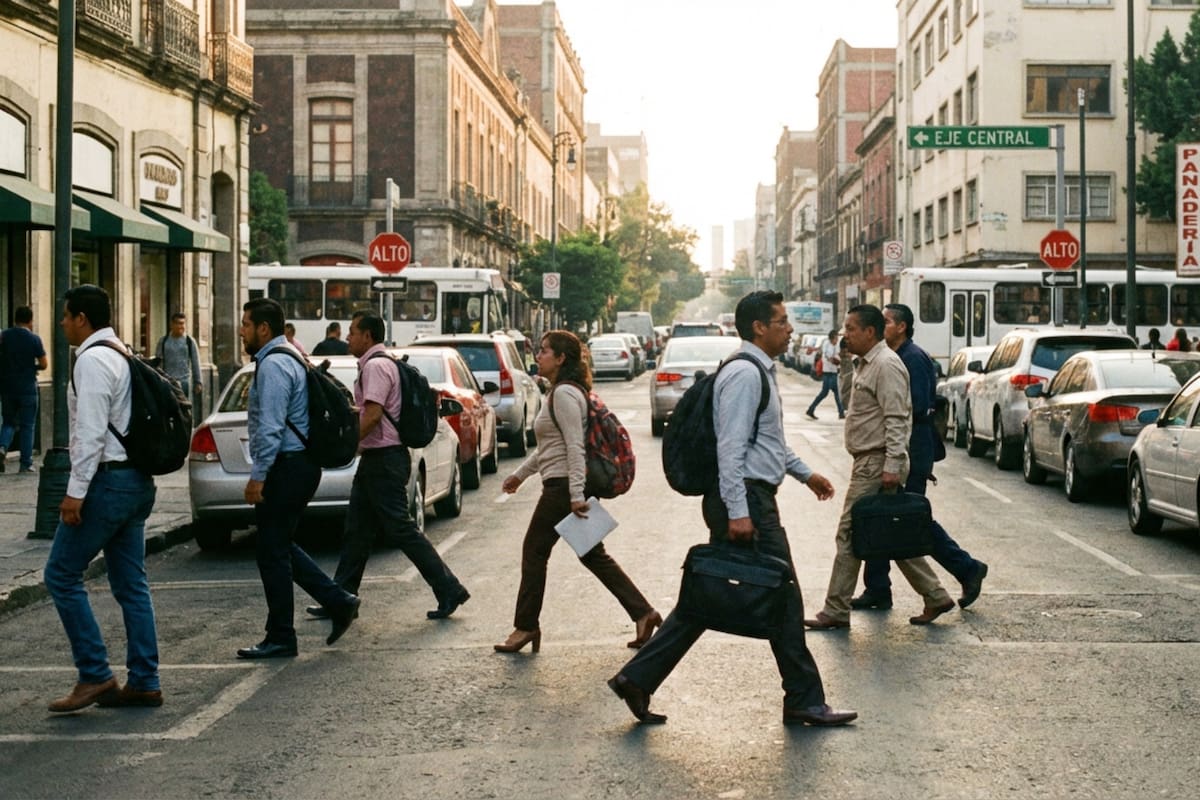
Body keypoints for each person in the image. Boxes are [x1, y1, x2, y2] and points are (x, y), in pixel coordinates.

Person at [608, 291, 856, 727]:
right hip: (746, 501)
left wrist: (805, 474)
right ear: (759, 328)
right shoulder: (744, 374)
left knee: (706, 598)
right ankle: (804, 698)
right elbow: (731, 448)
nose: (790, 329)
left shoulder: (757, 371)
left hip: (747, 497)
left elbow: (767, 443)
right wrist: (739, 511)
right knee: (784, 592)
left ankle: (637, 679)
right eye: (781, 321)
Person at [496, 330, 661, 654]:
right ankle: (644, 613)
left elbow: (574, 446)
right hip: (563, 484)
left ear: (561, 359)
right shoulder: (559, 392)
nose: (538, 356)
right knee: (593, 555)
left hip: (561, 488)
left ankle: (526, 626)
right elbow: (550, 448)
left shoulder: (564, 395)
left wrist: (574, 495)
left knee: (534, 552)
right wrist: (520, 475)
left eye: (545, 351)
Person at [306, 311, 470, 622]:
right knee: (357, 531)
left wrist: (347, 446)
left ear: (367, 336)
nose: (347, 338)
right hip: (378, 460)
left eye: (353, 332)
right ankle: (340, 597)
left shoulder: (376, 367)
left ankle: (449, 588)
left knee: (402, 530)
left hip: (385, 461)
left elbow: (372, 415)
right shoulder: (378, 364)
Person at [43, 285, 161, 711]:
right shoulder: (121, 352)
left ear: (82, 319)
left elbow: (90, 433)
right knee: (131, 585)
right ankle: (144, 680)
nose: (61, 323)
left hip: (107, 484)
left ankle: (94, 673)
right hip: (135, 482)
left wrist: (74, 492)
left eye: (65, 315)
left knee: (60, 574)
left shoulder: (92, 360)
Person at [805, 304, 958, 630]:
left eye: (851, 329)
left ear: (870, 331)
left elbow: (897, 418)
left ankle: (835, 609)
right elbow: (848, 401)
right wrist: (845, 362)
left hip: (877, 461)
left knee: (849, 532)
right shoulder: (865, 363)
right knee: (890, 532)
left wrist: (892, 464)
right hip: (868, 460)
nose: (845, 335)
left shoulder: (887, 365)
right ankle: (935, 595)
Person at [238, 298, 360, 659]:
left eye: (246, 324)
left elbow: (271, 427)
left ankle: (282, 636)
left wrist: (258, 476)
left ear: (263, 329)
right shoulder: (289, 356)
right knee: (277, 545)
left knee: (272, 551)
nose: (242, 331)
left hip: (288, 467)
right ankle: (338, 601)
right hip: (298, 466)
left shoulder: (274, 364)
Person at [850, 304, 988, 613]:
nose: (881, 326)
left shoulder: (912, 358)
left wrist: (897, 457)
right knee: (880, 515)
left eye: (886, 322)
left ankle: (966, 568)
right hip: (902, 446)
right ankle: (877, 587)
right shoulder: (892, 356)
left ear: (901, 327)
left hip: (911, 445)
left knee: (909, 519)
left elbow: (910, 409)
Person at [0, 305, 47, 473]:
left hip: (7, 386)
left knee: (8, 422)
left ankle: (2, 446)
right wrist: (33, 367)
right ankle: (25, 463)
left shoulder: (4, 336)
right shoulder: (34, 339)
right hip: (27, 387)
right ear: (30, 321)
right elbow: (44, 363)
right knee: (28, 425)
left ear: (15, 319)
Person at [154, 312, 202, 414]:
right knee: (169, 411)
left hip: (185, 382)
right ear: (172, 324)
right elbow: (158, 362)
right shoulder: (164, 341)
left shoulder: (189, 341)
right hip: (168, 382)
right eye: (178, 323)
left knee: (186, 411)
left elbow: (195, 361)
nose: (181, 326)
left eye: (182, 323)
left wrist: (198, 381)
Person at [805, 329, 844, 420]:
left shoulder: (836, 345)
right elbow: (828, 355)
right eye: (835, 338)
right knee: (826, 393)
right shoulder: (826, 344)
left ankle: (841, 412)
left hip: (834, 371)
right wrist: (835, 360)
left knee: (834, 393)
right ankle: (811, 409)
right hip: (827, 371)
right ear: (831, 338)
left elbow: (838, 354)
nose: (836, 340)